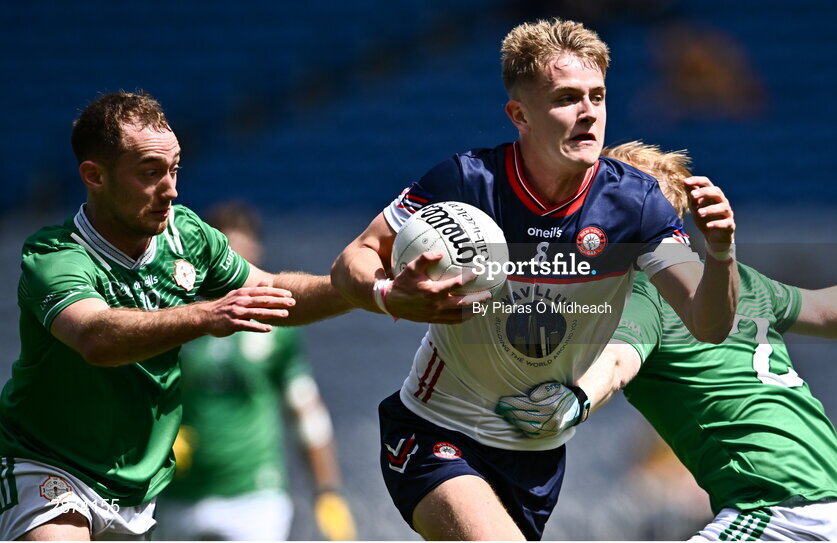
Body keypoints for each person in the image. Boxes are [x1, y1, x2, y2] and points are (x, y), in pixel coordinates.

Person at [331, 19, 739, 541]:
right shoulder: (465, 183)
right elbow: (355, 258)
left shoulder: (636, 205)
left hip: (537, 461)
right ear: (520, 114)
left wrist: (722, 252)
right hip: (436, 430)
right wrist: (387, 294)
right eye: (567, 98)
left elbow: (709, 325)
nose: (588, 111)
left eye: (598, 96)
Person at [497, 141, 837, 541]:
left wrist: (579, 397)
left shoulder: (644, 291)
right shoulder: (743, 284)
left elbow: (621, 357)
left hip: (780, 510)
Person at [0, 91, 351, 540]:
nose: (171, 189)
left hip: (136, 488)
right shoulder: (55, 254)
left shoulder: (187, 236)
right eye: (150, 173)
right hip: (49, 466)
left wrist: (368, 291)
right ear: (95, 176)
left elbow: (274, 294)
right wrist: (204, 314)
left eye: (175, 169)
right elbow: (95, 337)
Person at [153, 202, 356, 541]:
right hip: (179, 494)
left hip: (254, 495)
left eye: (244, 255)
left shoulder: (276, 326)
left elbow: (304, 409)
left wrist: (328, 491)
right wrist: (159, 440)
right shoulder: (176, 319)